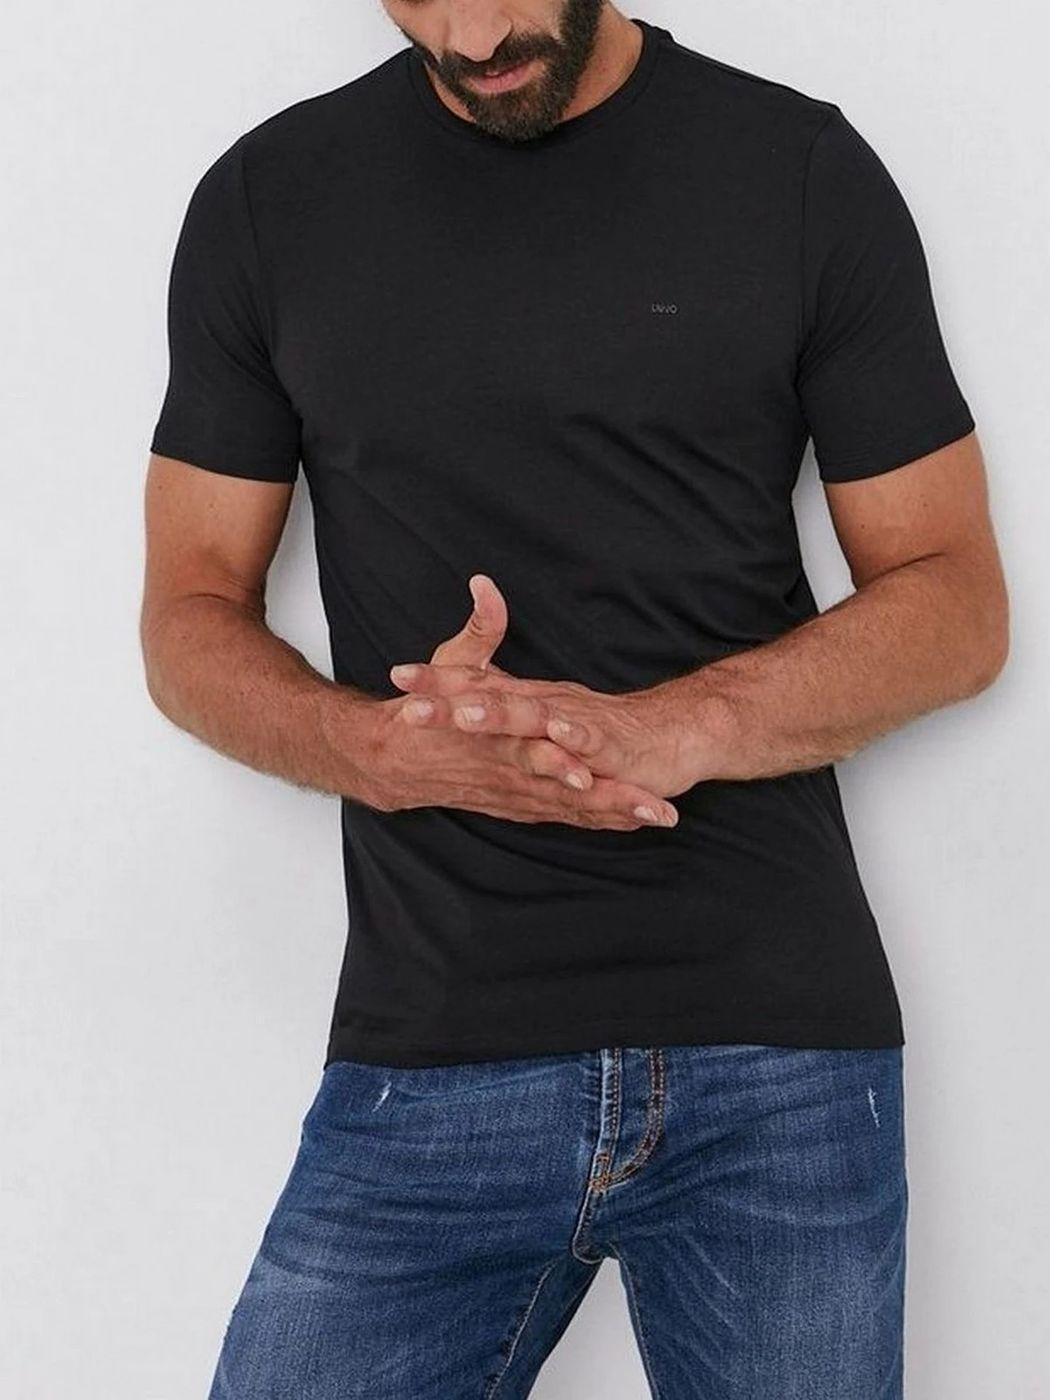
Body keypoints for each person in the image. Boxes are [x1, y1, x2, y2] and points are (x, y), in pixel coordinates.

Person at [141, 3, 1008, 1396]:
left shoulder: (795, 171)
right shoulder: (269, 200)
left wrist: (669, 728)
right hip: (432, 1053)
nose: (475, 30)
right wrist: (371, 749)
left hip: (774, 1058)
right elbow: (186, 615)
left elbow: (956, 604)